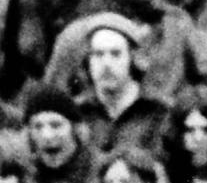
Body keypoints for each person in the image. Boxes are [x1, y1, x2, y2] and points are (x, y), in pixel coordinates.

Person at [73, 14, 172, 161]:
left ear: (131, 58)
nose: (106, 63)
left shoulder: (160, 110)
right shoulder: (76, 112)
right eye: (98, 54)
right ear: (89, 61)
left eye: (115, 54)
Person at [25, 83, 96, 183]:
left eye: (56, 125)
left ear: (75, 129)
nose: (47, 135)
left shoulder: (98, 170)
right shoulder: (26, 174)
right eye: (37, 127)